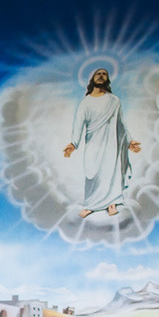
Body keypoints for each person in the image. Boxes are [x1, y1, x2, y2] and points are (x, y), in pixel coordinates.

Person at [63, 68, 142, 219]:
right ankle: (91, 204)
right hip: (93, 142)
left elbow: (121, 123)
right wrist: (73, 143)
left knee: (110, 170)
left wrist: (129, 140)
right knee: (92, 172)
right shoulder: (85, 103)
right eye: (98, 73)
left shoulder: (114, 100)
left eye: (104, 74)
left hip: (111, 141)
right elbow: (78, 124)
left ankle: (112, 203)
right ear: (92, 79)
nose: (101, 75)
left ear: (107, 79)